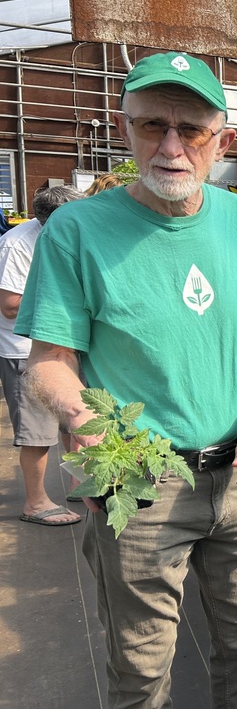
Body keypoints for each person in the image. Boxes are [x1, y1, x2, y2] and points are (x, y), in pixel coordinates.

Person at [15, 51, 237, 707]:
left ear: (222, 139)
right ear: (124, 128)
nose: (171, 147)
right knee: (140, 669)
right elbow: (48, 362)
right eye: (151, 127)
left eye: (191, 129)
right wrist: (79, 415)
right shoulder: (78, 232)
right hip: (138, 479)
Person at [0, 185, 85, 526]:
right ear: (48, 220)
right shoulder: (18, 245)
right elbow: (9, 306)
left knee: (74, 418)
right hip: (25, 352)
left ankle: (80, 483)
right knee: (38, 431)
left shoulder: (63, 235)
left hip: (63, 344)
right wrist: (65, 296)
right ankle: (35, 503)